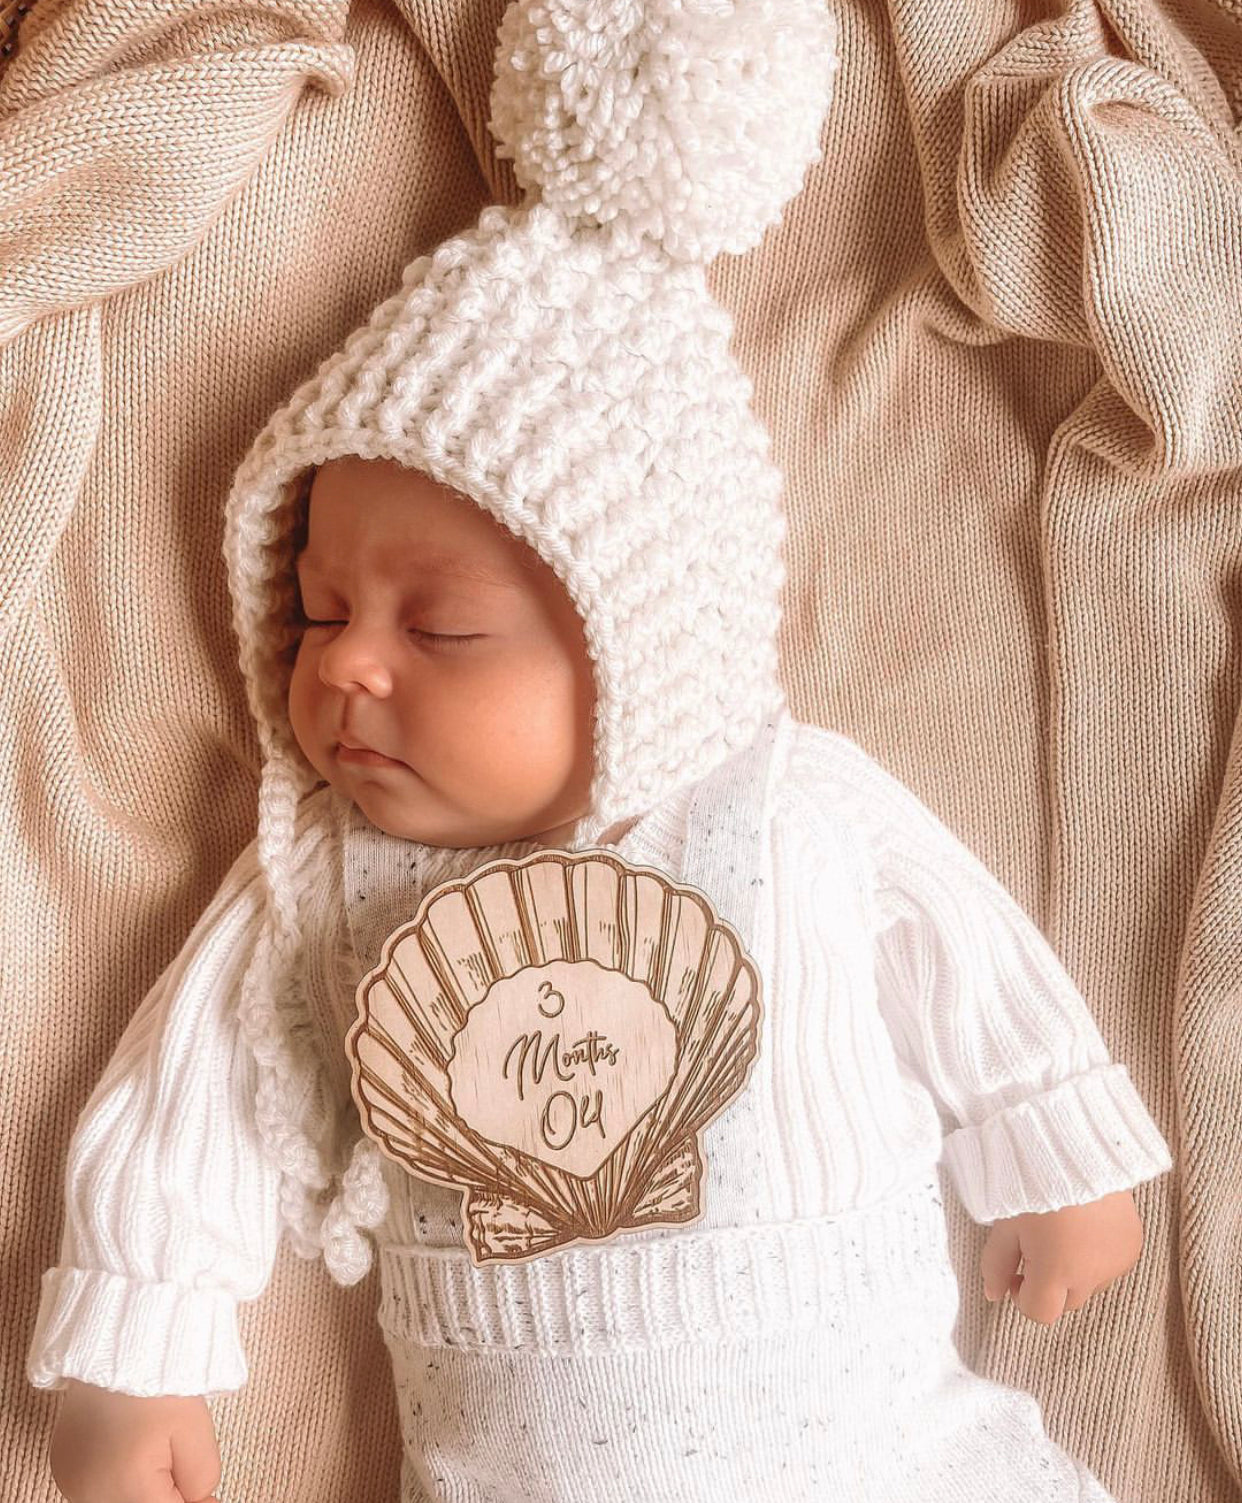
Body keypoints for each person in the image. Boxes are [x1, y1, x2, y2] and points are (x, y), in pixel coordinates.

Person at [28, 2, 1173, 1500]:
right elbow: (186, 1109)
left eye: (442, 628)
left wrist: (1054, 1147)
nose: (347, 665)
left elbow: (971, 960)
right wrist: (137, 1351)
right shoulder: (325, 884)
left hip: (893, 1447)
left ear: (639, 636)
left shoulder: (786, 812)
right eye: (315, 612)